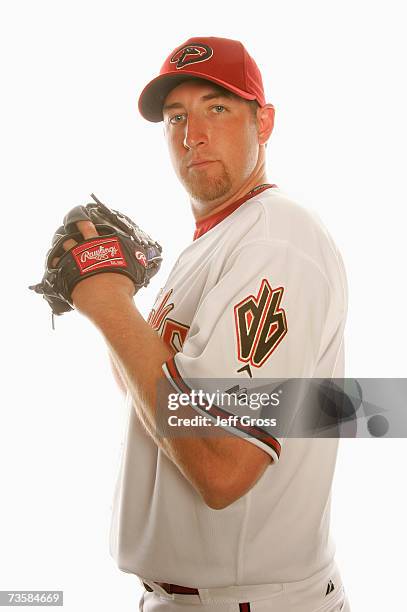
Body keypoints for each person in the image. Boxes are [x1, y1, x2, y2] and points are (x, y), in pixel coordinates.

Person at [61, 37, 350, 612]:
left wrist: (108, 302)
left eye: (216, 108)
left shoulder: (275, 239)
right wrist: (120, 294)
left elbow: (222, 462)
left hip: (250, 602)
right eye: (176, 117)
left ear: (263, 122)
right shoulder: (217, 240)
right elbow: (152, 391)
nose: (192, 134)